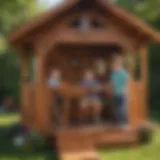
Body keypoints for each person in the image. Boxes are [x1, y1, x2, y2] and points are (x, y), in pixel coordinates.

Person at [110, 55, 129, 127]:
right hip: (115, 94)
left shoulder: (123, 73)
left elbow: (127, 82)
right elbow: (112, 83)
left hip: (122, 94)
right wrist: (111, 90)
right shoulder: (113, 74)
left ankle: (124, 124)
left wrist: (125, 90)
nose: (113, 66)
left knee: (122, 109)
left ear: (119, 64)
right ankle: (119, 123)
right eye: (113, 64)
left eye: (115, 64)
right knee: (116, 109)